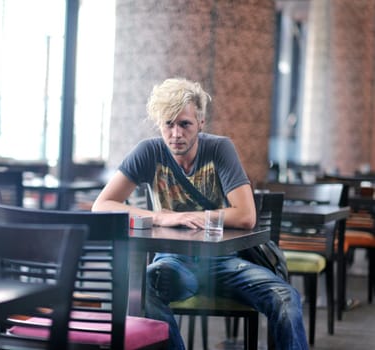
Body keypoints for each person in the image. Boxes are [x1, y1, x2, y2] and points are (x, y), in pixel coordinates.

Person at [91, 77, 309, 350]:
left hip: (225, 262)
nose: (176, 134)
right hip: (174, 262)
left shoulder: (219, 148)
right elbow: (102, 205)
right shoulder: (149, 151)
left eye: (184, 124)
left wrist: (194, 217)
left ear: (201, 123)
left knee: (285, 298)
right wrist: (162, 217)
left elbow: (245, 216)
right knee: (144, 287)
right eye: (168, 124)